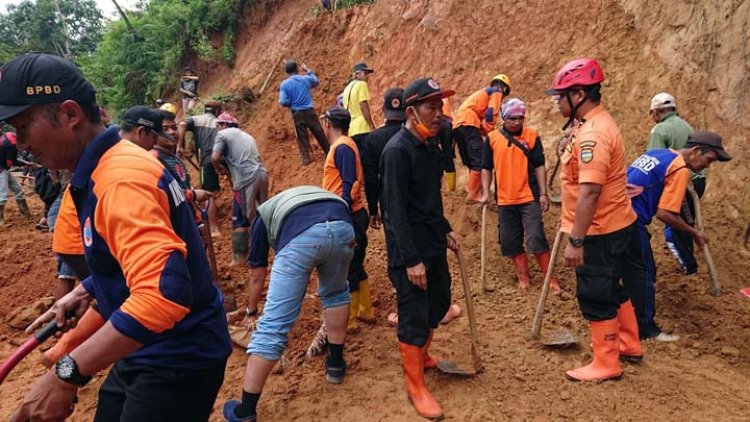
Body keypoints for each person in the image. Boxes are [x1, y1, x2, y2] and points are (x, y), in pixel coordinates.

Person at [1, 53, 230, 421]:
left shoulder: (118, 180)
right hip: (145, 348)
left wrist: (66, 374)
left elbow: (163, 294)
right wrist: (89, 287)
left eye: (22, 125)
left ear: (69, 115)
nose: (18, 141)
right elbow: (139, 251)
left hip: (176, 357)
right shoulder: (110, 164)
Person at [546, 58, 644, 382]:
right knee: (615, 285)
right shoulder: (593, 125)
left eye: (560, 96)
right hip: (616, 223)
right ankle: (628, 343)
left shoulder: (593, 135)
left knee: (595, 291)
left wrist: (576, 240)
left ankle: (606, 362)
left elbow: (589, 192)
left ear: (577, 94)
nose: (556, 102)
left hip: (599, 229)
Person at [222, 186, 355, 422]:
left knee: (274, 323)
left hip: (302, 238)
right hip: (343, 224)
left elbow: (257, 274)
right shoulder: (303, 196)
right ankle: (335, 365)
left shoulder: (262, 218)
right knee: (336, 293)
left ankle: (245, 410)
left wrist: (251, 311)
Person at [381, 77, 458, 420]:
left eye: (440, 106)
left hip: (432, 243)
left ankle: (424, 355)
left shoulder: (430, 145)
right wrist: (411, 260)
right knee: (413, 315)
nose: (438, 112)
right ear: (411, 112)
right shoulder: (397, 152)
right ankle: (416, 385)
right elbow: (395, 211)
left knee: (439, 301)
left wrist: (446, 229)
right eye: (431, 107)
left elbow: (430, 201)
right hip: (409, 251)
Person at [626, 131, 730, 341]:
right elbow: (664, 214)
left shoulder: (659, 153)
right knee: (645, 273)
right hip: (631, 220)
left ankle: (622, 320)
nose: (707, 166)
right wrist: (694, 233)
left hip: (615, 211)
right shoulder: (680, 169)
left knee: (625, 271)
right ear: (696, 151)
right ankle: (646, 330)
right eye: (708, 160)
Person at [479, 98, 560, 295]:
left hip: (528, 197)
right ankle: (523, 277)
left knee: (536, 237)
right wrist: (485, 192)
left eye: (520, 118)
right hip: (505, 200)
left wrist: (542, 193)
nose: (517, 122)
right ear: (504, 118)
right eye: (513, 118)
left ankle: (550, 279)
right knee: (509, 240)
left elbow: (540, 166)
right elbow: (486, 168)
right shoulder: (492, 139)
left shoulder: (532, 137)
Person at [320, 106, 373, 331]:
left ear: (328, 125)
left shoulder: (341, 147)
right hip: (353, 213)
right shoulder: (344, 145)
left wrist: (342, 213)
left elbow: (349, 183)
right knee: (356, 264)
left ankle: (349, 322)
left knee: (348, 268)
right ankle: (365, 310)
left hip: (349, 214)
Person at [646, 92, 703, 276]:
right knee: (686, 222)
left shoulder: (660, 130)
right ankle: (690, 264)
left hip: (682, 183)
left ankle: (689, 268)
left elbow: (655, 160)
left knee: (674, 228)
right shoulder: (687, 126)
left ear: (656, 112)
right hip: (698, 181)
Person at [211, 112, 269, 265]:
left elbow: (214, 157)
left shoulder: (222, 134)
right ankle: (272, 246)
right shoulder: (248, 136)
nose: (217, 129)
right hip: (262, 174)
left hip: (245, 179)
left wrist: (217, 169)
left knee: (241, 219)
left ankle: (240, 258)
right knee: (262, 213)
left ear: (223, 125)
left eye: (218, 126)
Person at [453, 74, 511, 202]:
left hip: (458, 125)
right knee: (479, 161)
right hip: (469, 123)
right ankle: (473, 195)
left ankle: (474, 190)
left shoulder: (482, 93)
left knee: (471, 161)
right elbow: (491, 113)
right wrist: (489, 130)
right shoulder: (497, 92)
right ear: (504, 88)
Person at [362, 87, 405, 229]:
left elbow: (371, 178)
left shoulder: (373, 139)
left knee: (394, 243)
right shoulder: (418, 135)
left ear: (383, 110)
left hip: (388, 197)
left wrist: (373, 209)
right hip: (416, 197)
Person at [178, 99, 222, 237]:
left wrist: (180, 145)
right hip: (225, 157)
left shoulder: (197, 119)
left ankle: (214, 229)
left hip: (207, 159)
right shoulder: (220, 122)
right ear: (218, 111)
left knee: (209, 194)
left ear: (205, 110)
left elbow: (182, 124)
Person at [278, 59, 330, 165]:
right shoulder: (305, 79)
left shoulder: (284, 84)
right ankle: (328, 152)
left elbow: (283, 101)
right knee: (318, 131)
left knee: (302, 136)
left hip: (297, 113)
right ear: (297, 69)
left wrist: (291, 103)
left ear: (287, 72)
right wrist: (308, 70)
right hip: (309, 110)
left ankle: (306, 158)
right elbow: (316, 81)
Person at [153, 104, 192, 190]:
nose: (172, 132)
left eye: (174, 127)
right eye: (165, 129)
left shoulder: (175, 158)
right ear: (154, 133)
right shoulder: (154, 159)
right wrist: (192, 195)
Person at [342, 62, 376, 156]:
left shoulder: (347, 89)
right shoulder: (361, 85)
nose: (367, 76)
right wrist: (371, 126)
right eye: (365, 73)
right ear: (357, 74)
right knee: (368, 159)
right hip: (362, 128)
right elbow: (363, 105)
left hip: (352, 129)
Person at [0, 131, 32, 225]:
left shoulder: (8, 135)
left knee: (18, 190)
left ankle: (26, 214)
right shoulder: (13, 145)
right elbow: (11, 162)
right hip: (1, 169)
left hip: (3, 168)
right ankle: (0, 220)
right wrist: (27, 163)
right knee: (2, 195)